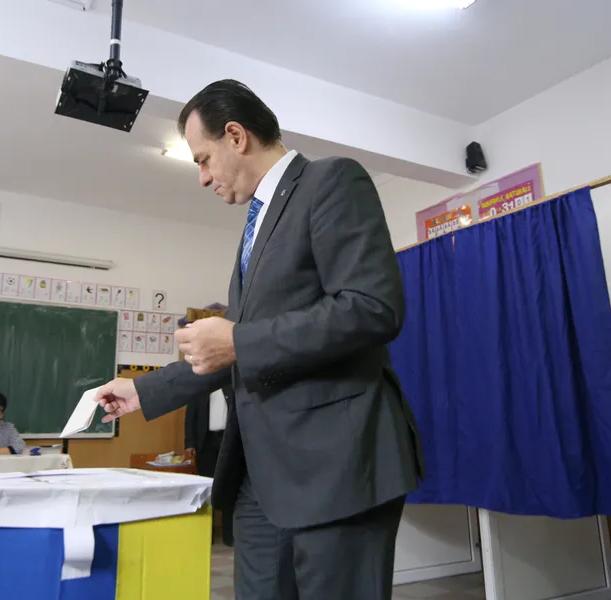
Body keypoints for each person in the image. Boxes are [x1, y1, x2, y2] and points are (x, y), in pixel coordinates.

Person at [95, 79, 424, 600]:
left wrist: (239, 340)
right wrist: (144, 391)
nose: (203, 178)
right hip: (261, 475)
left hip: (336, 466)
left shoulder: (332, 180)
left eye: (204, 160)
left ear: (235, 136)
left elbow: (372, 308)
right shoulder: (257, 224)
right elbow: (241, 346)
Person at [185, 386, 234, 546]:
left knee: (229, 488)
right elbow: (190, 416)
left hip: (227, 441)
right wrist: (189, 443)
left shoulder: (231, 386)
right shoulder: (200, 388)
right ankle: (208, 534)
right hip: (206, 443)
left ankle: (229, 535)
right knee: (207, 489)